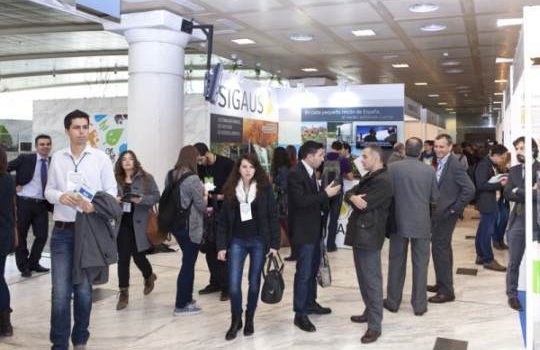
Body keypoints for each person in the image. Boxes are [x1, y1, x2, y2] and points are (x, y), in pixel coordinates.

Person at [45, 109, 118, 350]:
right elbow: (48, 190)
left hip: (89, 233)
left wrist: (93, 206)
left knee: (84, 291)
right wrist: (60, 196)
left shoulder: (100, 158)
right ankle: (58, 344)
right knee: (60, 293)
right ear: (67, 130)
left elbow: (111, 192)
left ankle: (80, 339)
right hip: (62, 233)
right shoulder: (58, 157)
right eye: (76, 127)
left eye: (85, 127)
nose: (81, 132)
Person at [216, 154, 280, 340]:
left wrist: (275, 243)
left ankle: (250, 317)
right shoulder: (230, 190)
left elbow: (273, 215)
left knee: (254, 284)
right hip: (237, 240)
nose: (248, 170)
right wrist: (221, 246)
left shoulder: (265, 188)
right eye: (244, 167)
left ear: (256, 169)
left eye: (251, 167)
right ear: (238, 168)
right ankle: (236, 319)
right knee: (234, 285)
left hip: (259, 241)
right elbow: (222, 222)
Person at [288, 140, 341, 332]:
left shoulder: (311, 172)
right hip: (303, 232)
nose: (323, 158)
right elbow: (301, 202)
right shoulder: (295, 174)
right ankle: (299, 313)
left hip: (314, 230)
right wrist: (325, 194)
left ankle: (310, 303)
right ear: (309, 156)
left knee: (311, 271)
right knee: (303, 274)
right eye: (320, 155)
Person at [384, 137, 439, 316]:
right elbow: (434, 199)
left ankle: (392, 302)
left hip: (398, 222)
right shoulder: (429, 171)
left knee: (396, 263)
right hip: (421, 223)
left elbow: (387, 195)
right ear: (421, 150)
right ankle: (419, 305)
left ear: (405, 149)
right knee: (421, 264)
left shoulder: (392, 168)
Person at [344, 146, 393, 344]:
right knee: (363, 278)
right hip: (361, 234)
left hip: (369, 235)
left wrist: (354, 197)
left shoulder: (383, 181)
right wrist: (353, 196)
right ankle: (368, 311)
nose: (361, 160)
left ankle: (375, 325)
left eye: (364, 157)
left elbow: (364, 204)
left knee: (372, 280)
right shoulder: (371, 176)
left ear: (376, 158)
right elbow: (351, 194)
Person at [427, 134, 475, 304]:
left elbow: (469, 189)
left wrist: (455, 208)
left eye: (441, 147)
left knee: (440, 249)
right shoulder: (440, 161)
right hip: (438, 213)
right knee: (442, 249)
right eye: (436, 146)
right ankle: (442, 284)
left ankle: (447, 292)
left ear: (449, 147)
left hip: (447, 214)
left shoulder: (454, 164)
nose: (438, 150)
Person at [114, 150, 160, 310]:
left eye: (130, 159)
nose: (127, 162)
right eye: (124, 159)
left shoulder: (146, 178)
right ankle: (123, 292)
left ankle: (148, 275)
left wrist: (140, 199)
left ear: (135, 161)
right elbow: (107, 196)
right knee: (123, 258)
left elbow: (156, 196)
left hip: (140, 224)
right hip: (122, 223)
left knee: (139, 256)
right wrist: (115, 200)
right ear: (120, 162)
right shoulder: (115, 179)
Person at [169, 146, 208, 315]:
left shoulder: (171, 174)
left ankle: (186, 298)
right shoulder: (193, 179)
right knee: (188, 265)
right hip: (190, 226)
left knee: (188, 262)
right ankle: (181, 304)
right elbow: (201, 205)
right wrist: (205, 195)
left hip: (176, 225)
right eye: (198, 158)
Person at [7, 134, 52, 277]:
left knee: (42, 236)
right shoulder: (25, 159)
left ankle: (33, 263)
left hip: (42, 205)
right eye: (42, 144)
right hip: (24, 203)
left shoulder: (53, 162)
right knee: (21, 236)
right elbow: (5, 169)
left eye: (48, 144)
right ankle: (23, 266)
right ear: (36, 146)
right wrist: (14, 184)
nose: (45, 146)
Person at [194, 142, 234, 301]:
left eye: (200, 159)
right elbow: (206, 188)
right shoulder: (202, 169)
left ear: (207, 153)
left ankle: (228, 286)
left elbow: (236, 186)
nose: (199, 163)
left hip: (226, 212)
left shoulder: (227, 164)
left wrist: (223, 197)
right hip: (209, 213)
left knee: (222, 250)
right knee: (209, 249)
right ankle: (215, 282)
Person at [504, 137, 540, 311]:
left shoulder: (539, 169)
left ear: (532, 149)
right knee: (514, 262)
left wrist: (519, 190)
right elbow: (507, 193)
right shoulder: (514, 170)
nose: (518, 152)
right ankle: (512, 294)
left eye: (521, 148)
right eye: (517, 149)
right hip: (518, 220)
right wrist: (529, 191)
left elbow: (538, 196)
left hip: (536, 221)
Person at [474, 144, 509, 271]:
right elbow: (481, 185)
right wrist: (500, 184)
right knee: (486, 232)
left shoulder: (491, 165)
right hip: (486, 202)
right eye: (502, 158)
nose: (503, 160)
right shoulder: (484, 165)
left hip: (490, 201)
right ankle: (488, 259)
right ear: (495, 155)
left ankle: (481, 256)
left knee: (482, 230)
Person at [321, 141, 353, 252]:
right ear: (341, 149)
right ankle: (330, 245)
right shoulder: (342, 160)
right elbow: (350, 177)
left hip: (324, 192)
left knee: (323, 219)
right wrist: (341, 174)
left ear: (332, 147)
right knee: (334, 219)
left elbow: (317, 175)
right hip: (337, 193)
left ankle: (320, 243)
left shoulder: (323, 158)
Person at [0, 147, 16, 336]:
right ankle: (5, 322)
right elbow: (12, 210)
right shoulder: (8, 180)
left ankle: (5, 323)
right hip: (4, 235)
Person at [271, 147, 294, 260]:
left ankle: (295, 252)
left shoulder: (282, 170)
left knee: (287, 226)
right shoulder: (287, 168)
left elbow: (284, 187)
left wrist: (275, 187)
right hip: (286, 202)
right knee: (287, 226)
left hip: (284, 203)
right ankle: (295, 251)